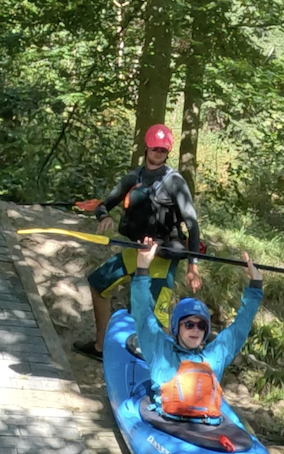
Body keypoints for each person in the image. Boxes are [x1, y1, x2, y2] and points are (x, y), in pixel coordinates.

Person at [70, 123, 204, 358]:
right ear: (146, 148)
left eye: (163, 150)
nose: (158, 153)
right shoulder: (134, 177)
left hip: (162, 258)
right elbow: (103, 205)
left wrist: (193, 266)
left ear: (168, 152)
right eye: (154, 149)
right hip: (135, 250)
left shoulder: (176, 182)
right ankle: (100, 346)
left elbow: (192, 225)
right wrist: (104, 217)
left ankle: (167, 368)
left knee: (155, 316)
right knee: (98, 283)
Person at [127, 239, 259, 422]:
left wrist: (256, 285)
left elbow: (240, 327)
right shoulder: (160, 351)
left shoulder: (214, 357)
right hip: (169, 425)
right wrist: (142, 269)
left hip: (206, 428)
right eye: (189, 324)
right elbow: (142, 312)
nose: (195, 329)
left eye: (201, 325)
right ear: (176, 327)